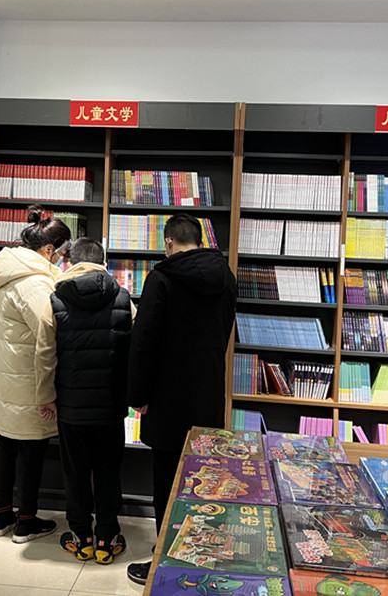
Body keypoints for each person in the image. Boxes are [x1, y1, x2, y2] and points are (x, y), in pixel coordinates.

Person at [124, 213, 236, 584]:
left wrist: (137, 394)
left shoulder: (161, 279)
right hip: (208, 395)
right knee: (203, 481)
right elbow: (223, 333)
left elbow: (144, 342)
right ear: (200, 241)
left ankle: (164, 560)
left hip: (167, 397)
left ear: (168, 242)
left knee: (167, 481)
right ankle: (198, 555)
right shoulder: (226, 278)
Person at [35, 237, 135, 564]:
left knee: (76, 474)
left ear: (71, 264)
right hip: (110, 406)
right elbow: (134, 351)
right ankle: (107, 537)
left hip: (71, 407)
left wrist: (46, 397)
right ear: (103, 263)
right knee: (108, 472)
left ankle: (81, 537)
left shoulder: (54, 300)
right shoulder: (123, 298)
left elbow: (44, 356)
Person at [0, 206, 72, 543]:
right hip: (27, 377)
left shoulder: (9, 271)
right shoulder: (34, 282)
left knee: (6, 444)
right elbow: (49, 330)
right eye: (62, 253)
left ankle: (1, 515)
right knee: (31, 449)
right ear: (49, 249)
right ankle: (26, 520)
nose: (63, 260)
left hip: (5, 374)